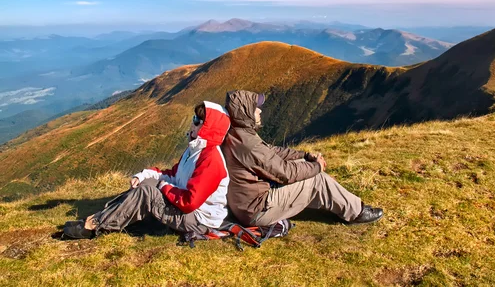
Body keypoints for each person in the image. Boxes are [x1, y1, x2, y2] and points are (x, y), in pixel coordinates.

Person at [62, 101, 231, 239]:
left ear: (209, 128)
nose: (192, 123)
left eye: (197, 120)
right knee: (147, 183)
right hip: (190, 211)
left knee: (148, 193)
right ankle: (103, 215)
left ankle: (94, 226)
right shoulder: (194, 151)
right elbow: (173, 175)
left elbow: (190, 202)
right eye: (194, 117)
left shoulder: (211, 159)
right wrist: (143, 175)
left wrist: (163, 186)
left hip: (200, 220)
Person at [222, 90, 383, 227]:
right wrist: (317, 166)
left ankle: (339, 202)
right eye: (256, 107)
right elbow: (285, 173)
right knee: (316, 179)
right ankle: (357, 212)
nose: (260, 111)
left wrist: (304, 156)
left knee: (303, 165)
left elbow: (271, 151)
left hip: (244, 204)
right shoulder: (248, 143)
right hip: (256, 211)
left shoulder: (237, 134)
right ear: (246, 111)